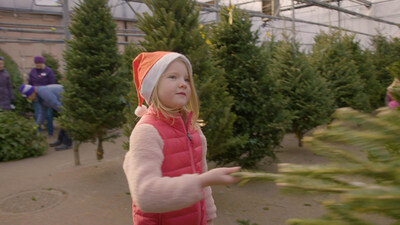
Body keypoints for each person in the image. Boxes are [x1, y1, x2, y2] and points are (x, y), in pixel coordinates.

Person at [123, 51, 241, 225]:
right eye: (172, 77)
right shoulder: (147, 132)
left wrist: (208, 217)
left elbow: (202, 178)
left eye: (186, 79)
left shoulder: (193, 128)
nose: (183, 84)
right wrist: (204, 180)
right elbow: (145, 195)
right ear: (153, 85)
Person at [19, 84, 72, 151]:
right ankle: (60, 140)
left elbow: (55, 103)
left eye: (28, 96)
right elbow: (42, 113)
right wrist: (36, 125)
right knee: (64, 120)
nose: (28, 99)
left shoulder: (43, 92)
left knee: (66, 120)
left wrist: (64, 113)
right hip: (61, 104)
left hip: (67, 99)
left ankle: (68, 143)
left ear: (31, 92)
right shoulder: (39, 98)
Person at [28, 56, 56, 136]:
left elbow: (52, 83)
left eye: (40, 63)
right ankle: (38, 132)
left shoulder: (48, 71)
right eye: (37, 63)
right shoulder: (32, 72)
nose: (38, 65)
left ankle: (50, 132)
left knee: (48, 114)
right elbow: (30, 83)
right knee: (37, 114)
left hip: (47, 96)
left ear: (43, 63)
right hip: (36, 96)